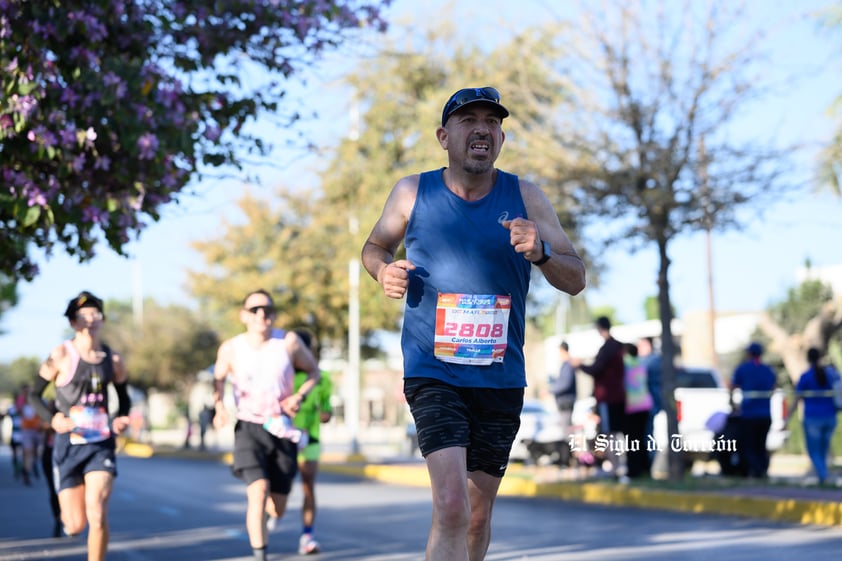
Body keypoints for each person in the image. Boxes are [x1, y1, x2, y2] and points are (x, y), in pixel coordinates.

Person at [361, 85, 585, 561]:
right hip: (433, 369)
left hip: (500, 376)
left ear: (500, 138)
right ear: (445, 136)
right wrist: (384, 270)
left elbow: (576, 278)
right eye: (469, 120)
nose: (482, 128)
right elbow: (375, 246)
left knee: (478, 516)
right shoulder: (411, 191)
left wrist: (542, 253)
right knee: (451, 505)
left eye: (492, 121)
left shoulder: (526, 196)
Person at [212, 289, 321, 561]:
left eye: (268, 310)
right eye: (255, 310)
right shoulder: (231, 348)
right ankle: (260, 555)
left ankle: (272, 515)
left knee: (279, 505)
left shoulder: (289, 342)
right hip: (248, 427)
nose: (262, 315)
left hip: (281, 428)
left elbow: (313, 372)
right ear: (244, 316)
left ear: (273, 315)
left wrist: (299, 396)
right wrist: (219, 406)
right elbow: (218, 377)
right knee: (257, 491)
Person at [28, 291, 132, 561]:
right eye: (83, 315)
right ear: (74, 323)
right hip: (69, 444)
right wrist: (53, 420)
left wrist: (121, 417)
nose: (91, 319)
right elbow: (33, 395)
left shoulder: (114, 360)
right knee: (75, 524)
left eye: (95, 313)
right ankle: (70, 517)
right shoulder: (62, 354)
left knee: (97, 512)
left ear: (102, 319)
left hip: (100, 443)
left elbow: (124, 399)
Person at [288, 328, 333, 555]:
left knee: (308, 488)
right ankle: (268, 513)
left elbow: (327, 410)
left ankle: (307, 536)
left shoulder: (322, 378)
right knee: (279, 488)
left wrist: (326, 415)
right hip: (283, 438)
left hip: (310, 440)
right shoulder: (282, 373)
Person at [571, 316, 626, 479]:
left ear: (600, 328)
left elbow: (596, 368)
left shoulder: (609, 347)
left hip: (608, 396)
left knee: (610, 433)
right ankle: (616, 466)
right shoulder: (617, 346)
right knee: (613, 432)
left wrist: (579, 365)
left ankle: (615, 467)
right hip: (617, 395)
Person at [729, 342, 776, 479]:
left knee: (749, 446)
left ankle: (756, 472)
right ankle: (762, 471)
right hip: (765, 414)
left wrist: (733, 404)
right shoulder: (768, 370)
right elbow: (773, 388)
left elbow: (732, 387)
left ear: (749, 353)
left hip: (749, 415)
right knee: (761, 446)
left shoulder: (743, 369)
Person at [794, 347, 840, 485]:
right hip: (831, 417)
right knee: (823, 449)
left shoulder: (806, 376)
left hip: (813, 418)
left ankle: (823, 475)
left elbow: (797, 398)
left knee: (814, 451)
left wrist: (787, 418)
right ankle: (823, 475)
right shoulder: (831, 373)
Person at [622, 343, 653, 479]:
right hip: (645, 404)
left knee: (632, 441)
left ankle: (634, 470)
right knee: (642, 439)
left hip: (632, 406)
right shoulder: (642, 363)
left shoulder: (625, 364)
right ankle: (646, 468)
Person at [549, 341, 577, 437]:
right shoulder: (567, 365)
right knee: (567, 430)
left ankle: (568, 451)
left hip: (566, 402)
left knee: (567, 432)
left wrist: (550, 390)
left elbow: (565, 383)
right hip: (565, 402)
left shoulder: (568, 365)